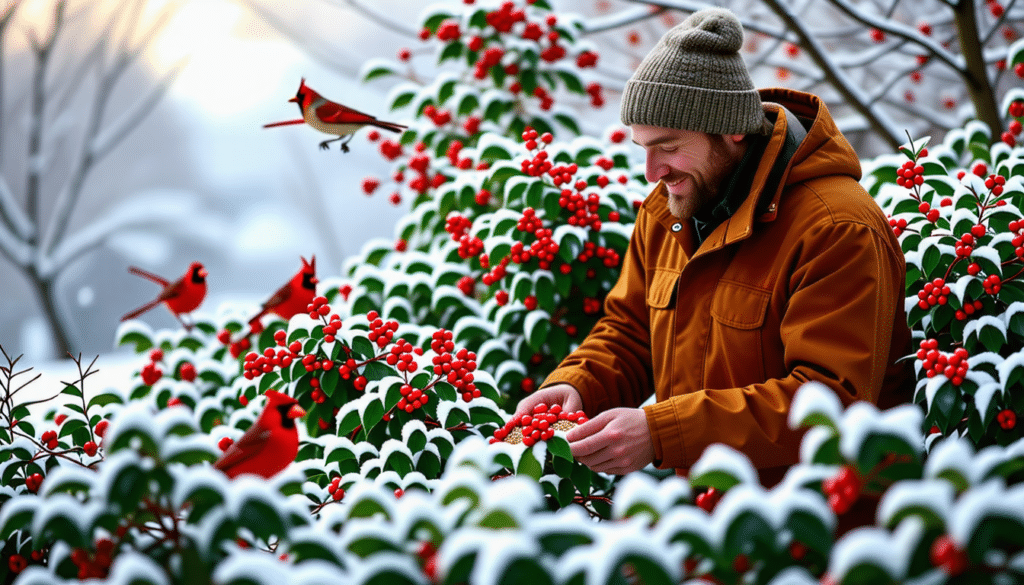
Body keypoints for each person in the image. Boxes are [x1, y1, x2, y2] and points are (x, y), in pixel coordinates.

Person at [513, 7, 913, 487]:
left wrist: (662, 432)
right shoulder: (668, 212)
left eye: (668, 145)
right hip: (710, 518)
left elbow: (830, 399)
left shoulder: (836, 227)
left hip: (821, 527)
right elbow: (632, 329)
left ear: (732, 130)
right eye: (642, 146)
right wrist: (576, 384)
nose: (651, 172)